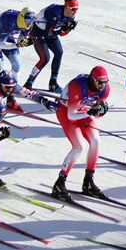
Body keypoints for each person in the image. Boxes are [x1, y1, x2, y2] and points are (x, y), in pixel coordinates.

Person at [41, 65, 111, 199]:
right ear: (92, 79)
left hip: (83, 112)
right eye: (100, 82)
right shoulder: (77, 86)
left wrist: (100, 111)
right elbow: (71, 115)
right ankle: (59, 183)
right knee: (79, 147)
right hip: (65, 111)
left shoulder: (105, 89)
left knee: (96, 141)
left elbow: (98, 112)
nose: (103, 85)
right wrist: (91, 112)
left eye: (105, 82)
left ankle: (88, 182)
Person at [24, 0, 79, 92]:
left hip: (49, 32)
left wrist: (67, 30)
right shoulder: (54, 13)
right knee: (45, 58)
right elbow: (48, 34)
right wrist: (62, 30)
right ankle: (29, 82)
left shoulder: (71, 15)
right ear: (66, 7)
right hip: (38, 32)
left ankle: (53, 82)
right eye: (73, 9)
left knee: (59, 52)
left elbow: (60, 34)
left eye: (77, 9)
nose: (75, 12)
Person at [0, 7, 36, 87]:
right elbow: (0, 45)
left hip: (7, 35)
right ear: (22, 18)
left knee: (17, 65)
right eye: (28, 20)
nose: (30, 23)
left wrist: (22, 42)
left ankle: (12, 87)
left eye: (32, 20)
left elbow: (20, 38)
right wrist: (17, 45)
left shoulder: (29, 24)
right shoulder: (10, 22)